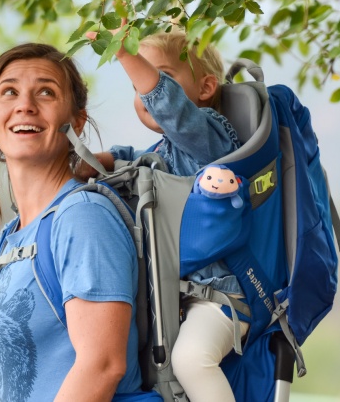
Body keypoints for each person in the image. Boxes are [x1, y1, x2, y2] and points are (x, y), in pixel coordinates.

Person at [0, 43, 161, 402]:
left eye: (46, 91)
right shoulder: (14, 237)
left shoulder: (83, 217)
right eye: (9, 91)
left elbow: (102, 366)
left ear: (76, 122)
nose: (25, 104)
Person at [86, 30, 249, 402]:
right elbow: (138, 160)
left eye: (158, 78)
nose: (144, 94)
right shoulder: (166, 150)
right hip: (175, 297)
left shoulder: (209, 138)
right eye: (136, 82)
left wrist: (126, 54)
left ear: (206, 88)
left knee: (191, 361)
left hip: (221, 298)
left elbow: (174, 112)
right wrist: (99, 162)